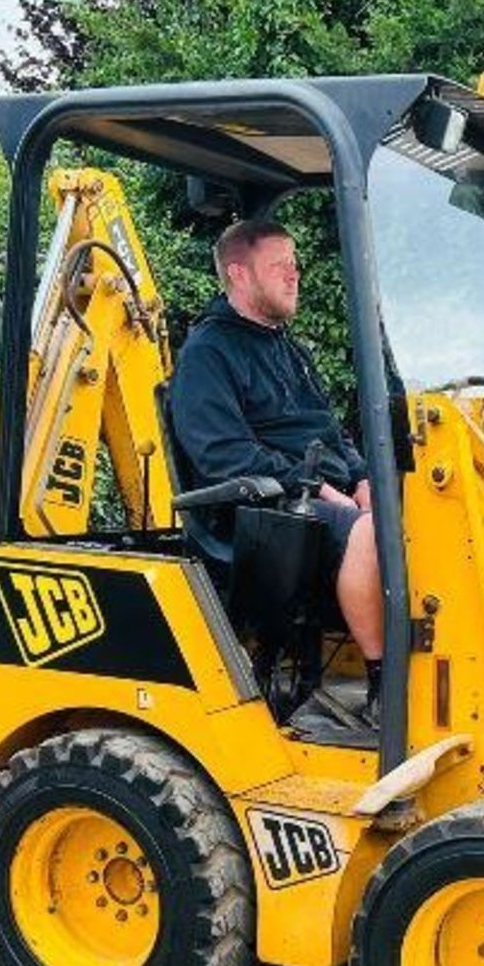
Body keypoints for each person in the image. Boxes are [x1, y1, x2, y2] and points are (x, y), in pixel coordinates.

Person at [168, 218, 382, 717]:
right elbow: (223, 455)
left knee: (425, 516)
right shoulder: (208, 352)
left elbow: (331, 431)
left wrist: (363, 478)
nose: (295, 274)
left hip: (318, 496)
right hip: (253, 511)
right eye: (280, 265)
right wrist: (324, 490)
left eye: (295, 264)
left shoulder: (290, 349)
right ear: (239, 275)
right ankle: (385, 688)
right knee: (373, 533)